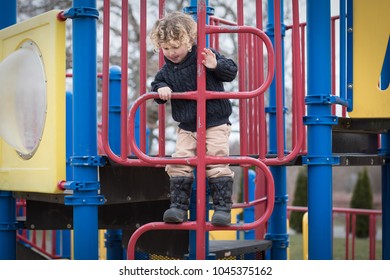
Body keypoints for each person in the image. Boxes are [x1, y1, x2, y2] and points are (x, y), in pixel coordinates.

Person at [149, 11, 238, 226]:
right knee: (179, 161)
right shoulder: (167, 71)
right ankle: (178, 208)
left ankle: (222, 209)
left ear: (189, 41)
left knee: (216, 161)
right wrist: (162, 89)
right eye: (166, 48)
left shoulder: (205, 55)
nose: (171, 52)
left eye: (175, 46)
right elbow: (156, 86)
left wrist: (215, 65)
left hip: (215, 122)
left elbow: (231, 71)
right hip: (187, 126)